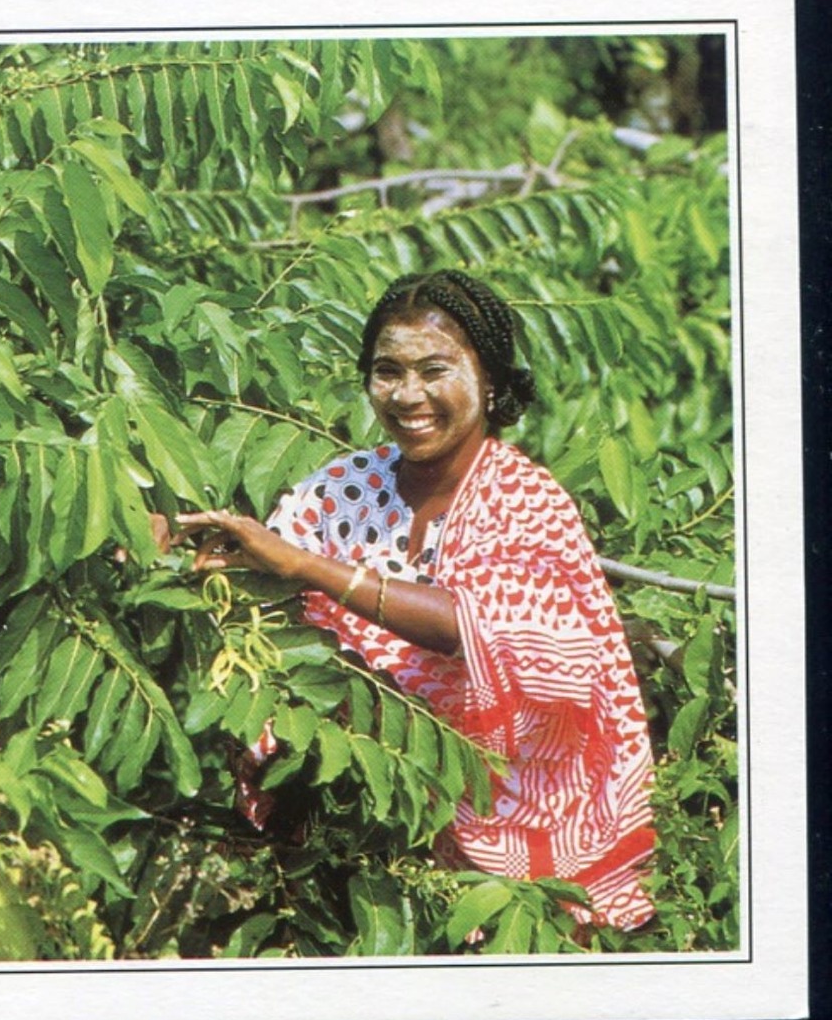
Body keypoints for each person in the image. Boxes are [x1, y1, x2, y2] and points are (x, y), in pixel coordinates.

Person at [176, 270, 656, 932]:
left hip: (520, 831)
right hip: (369, 823)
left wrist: (307, 567)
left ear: (488, 380)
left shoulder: (523, 498)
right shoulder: (345, 486)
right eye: (386, 371)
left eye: (434, 370)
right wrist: (169, 544)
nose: (407, 396)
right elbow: (261, 578)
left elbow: (473, 629)